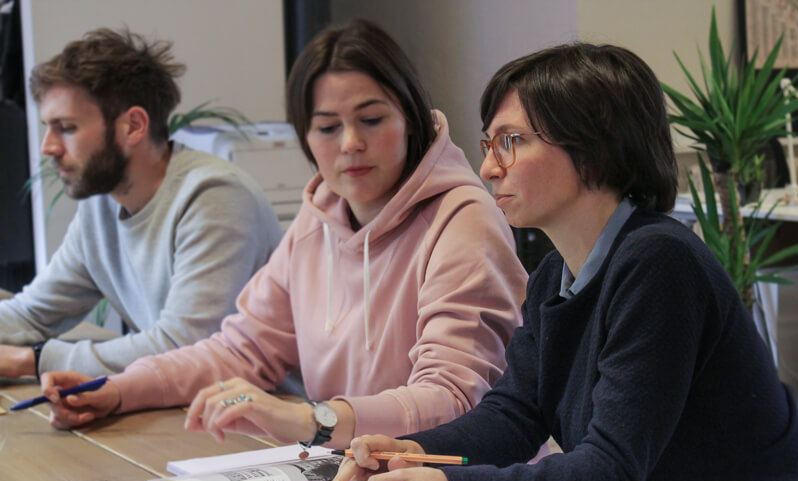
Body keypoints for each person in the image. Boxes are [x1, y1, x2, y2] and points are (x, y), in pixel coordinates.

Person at [325, 43, 798, 481]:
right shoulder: (554, 274)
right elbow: (516, 414)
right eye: (489, 145)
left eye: (512, 142)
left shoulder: (659, 262)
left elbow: (611, 466)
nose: (489, 169)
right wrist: (416, 452)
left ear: (594, 144)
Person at [43, 21, 527, 451]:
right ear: (305, 138)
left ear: (410, 119)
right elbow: (241, 350)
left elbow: (456, 398)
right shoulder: (318, 220)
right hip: (342, 475)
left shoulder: (462, 219)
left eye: (372, 119)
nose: (351, 143)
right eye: (327, 127)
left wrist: (312, 419)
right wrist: (121, 389)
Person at [0, 29, 281, 380]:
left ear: (133, 126)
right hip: (183, 408)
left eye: (66, 127)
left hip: (262, 422)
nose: (48, 147)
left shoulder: (215, 196)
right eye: (48, 128)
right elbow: (32, 313)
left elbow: (184, 347)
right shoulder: (102, 205)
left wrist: (33, 360)